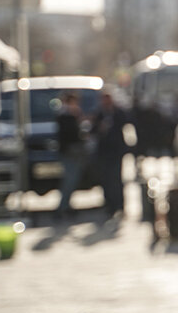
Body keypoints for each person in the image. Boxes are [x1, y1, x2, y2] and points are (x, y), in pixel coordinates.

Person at [90, 90, 132, 219]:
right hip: (104, 151)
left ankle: (120, 205)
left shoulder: (118, 113)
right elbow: (93, 131)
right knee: (106, 179)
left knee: (117, 179)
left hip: (116, 151)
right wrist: (99, 128)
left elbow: (127, 124)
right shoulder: (99, 114)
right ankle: (109, 205)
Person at [55, 92, 88, 218]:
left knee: (72, 180)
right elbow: (71, 134)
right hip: (69, 153)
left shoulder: (71, 115)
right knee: (69, 180)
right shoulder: (65, 116)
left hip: (74, 153)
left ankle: (66, 206)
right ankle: (62, 208)